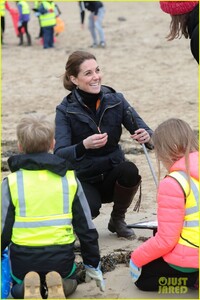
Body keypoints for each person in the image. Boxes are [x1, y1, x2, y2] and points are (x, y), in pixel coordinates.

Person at [1, 114, 105, 299]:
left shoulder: (11, 182)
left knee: (17, 287)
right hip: (60, 258)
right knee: (72, 282)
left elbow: (3, 228)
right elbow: (86, 227)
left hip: (24, 258)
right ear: (53, 144)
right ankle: (61, 285)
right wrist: (92, 265)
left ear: (20, 146)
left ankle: (26, 286)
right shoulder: (69, 180)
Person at [54, 50, 153, 240]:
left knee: (130, 170)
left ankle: (117, 219)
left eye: (97, 70)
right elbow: (59, 154)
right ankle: (80, 217)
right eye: (88, 73)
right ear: (74, 79)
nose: (96, 77)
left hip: (112, 173)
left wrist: (146, 137)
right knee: (90, 208)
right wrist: (84, 145)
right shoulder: (64, 110)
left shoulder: (116, 99)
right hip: (84, 178)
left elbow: (149, 134)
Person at [130, 118, 199, 291]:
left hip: (192, 255)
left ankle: (191, 281)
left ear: (168, 150)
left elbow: (166, 241)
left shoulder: (174, 182)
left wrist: (135, 258)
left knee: (143, 280)